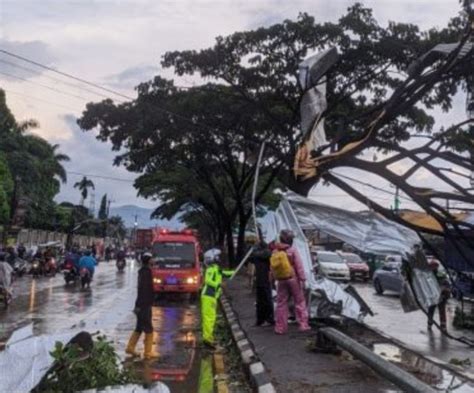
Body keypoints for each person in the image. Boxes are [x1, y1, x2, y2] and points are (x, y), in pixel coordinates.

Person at [272, 230, 310, 334]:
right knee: (299, 301)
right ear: (290, 240)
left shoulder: (276, 251)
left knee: (281, 303)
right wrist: (303, 279)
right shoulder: (292, 250)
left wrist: (273, 278)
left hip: (281, 279)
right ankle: (303, 324)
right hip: (293, 278)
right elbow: (299, 266)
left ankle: (280, 328)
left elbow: (272, 267)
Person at [125, 252, 158, 359]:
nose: (154, 261)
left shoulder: (143, 272)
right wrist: (142, 304)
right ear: (148, 261)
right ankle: (148, 353)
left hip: (141, 304)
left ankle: (130, 348)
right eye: (152, 259)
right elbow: (144, 290)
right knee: (148, 328)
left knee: (139, 327)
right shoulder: (146, 273)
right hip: (144, 304)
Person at [201, 248, 234, 349]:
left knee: (211, 317)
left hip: (212, 296)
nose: (219, 258)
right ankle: (207, 339)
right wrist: (219, 284)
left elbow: (225, 273)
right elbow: (208, 281)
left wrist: (234, 272)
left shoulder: (216, 269)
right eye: (217, 257)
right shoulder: (211, 269)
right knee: (209, 318)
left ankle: (208, 337)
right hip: (208, 296)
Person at [250, 241, 274, 326]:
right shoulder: (266, 254)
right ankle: (269, 319)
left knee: (261, 301)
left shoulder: (257, 255)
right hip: (265, 280)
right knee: (266, 300)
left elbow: (251, 257)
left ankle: (261, 319)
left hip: (260, 279)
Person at [427, 260, 450, 332]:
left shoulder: (440, 274)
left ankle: (443, 326)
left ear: (436, 266)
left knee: (441, 310)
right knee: (431, 310)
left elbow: (446, 284)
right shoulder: (429, 274)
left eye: (433, 266)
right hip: (433, 295)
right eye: (431, 266)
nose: (432, 268)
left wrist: (443, 292)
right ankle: (429, 324)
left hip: (441, 295)